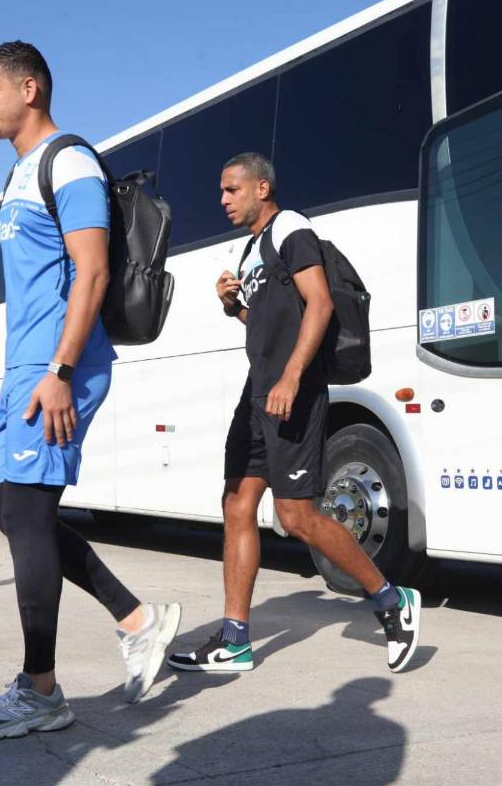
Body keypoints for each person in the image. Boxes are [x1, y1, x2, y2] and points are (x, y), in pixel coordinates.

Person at [0, 40, 180, 741]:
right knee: (19, 517)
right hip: (28, 366)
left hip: (58, 367)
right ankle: (138, 620)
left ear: (31, 88)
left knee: (23, 518)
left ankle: (42, 692)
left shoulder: (70, 163)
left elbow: (92, 274)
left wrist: (58, 370)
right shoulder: (20, 174)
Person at [166, 153, 422, 676]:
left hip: (293, 393)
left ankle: (392, 600)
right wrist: (231, 307)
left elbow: (321, 304)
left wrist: (291, 377)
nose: (222, 200)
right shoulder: (254, 252)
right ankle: (236, 639)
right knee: (237, 504)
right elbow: (266, 324)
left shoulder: (291, 228)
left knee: (296, 517)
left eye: (231, 189)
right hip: (256, 394)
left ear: (262, 188)